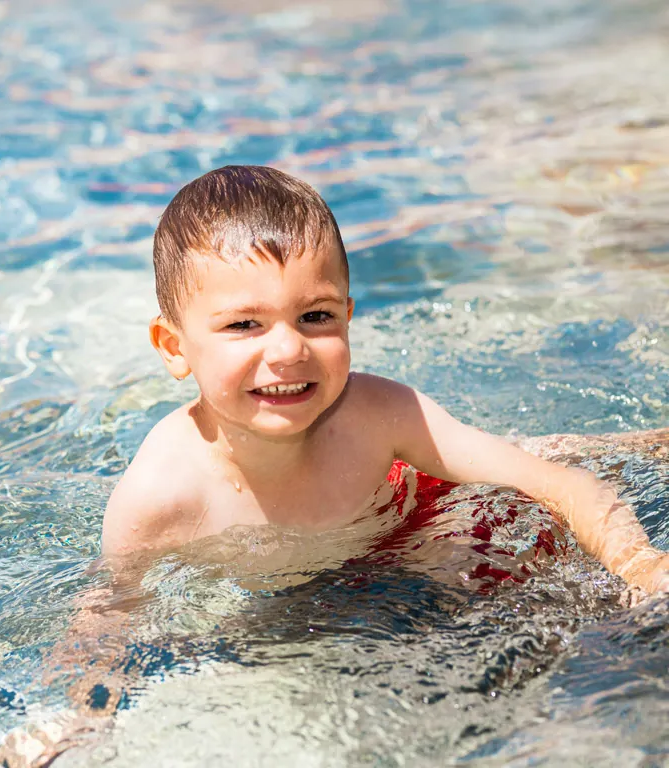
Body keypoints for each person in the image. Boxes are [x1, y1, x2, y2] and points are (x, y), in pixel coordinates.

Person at [102, 164, 669, 594]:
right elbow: (106, 617)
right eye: (244, 324)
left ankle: (647, 445)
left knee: (536, 499)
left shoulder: (375, 414)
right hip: (326, 591)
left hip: (416, 518)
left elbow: (562, 483)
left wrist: (643, 573)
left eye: (315, 316)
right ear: (175, 349)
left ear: (348, 317)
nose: (288, 348)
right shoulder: (159, 498)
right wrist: (79, 715)